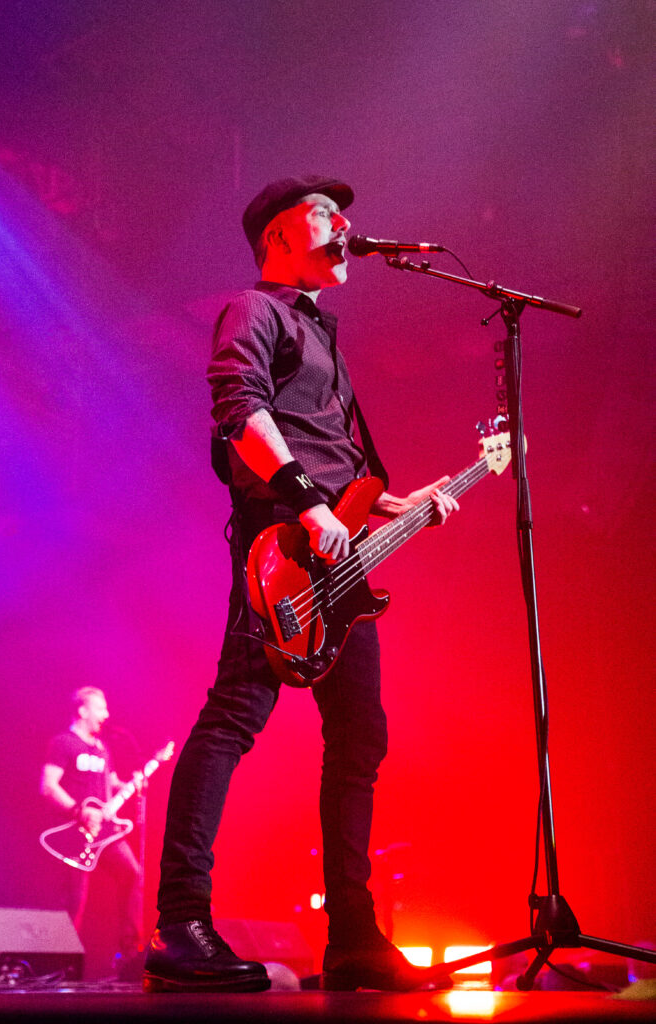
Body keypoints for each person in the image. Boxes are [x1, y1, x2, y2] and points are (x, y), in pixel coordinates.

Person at [143, 176, 459, 993]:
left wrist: (391, 503)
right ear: (279, 236)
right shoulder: (255, 310)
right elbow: (237, 408)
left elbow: (329, 451)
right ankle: (181, 926)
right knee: (235, 716)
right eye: (326, 213)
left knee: (360, 737)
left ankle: (353, 937)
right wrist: (305, 501)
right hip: (282, 548)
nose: (347, 223)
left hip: (340, 553)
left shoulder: (323, 331)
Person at [40, 686, 142, 965]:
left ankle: (129, 953)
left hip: (105, 833)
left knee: (132, 873)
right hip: (73, 833)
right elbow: (49, 786)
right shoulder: (64, 743)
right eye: (100, 708)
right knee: (75, 899)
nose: (106, 715)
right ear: (83, 711)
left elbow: (111, 783)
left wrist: (133, 783)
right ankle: (62, 964)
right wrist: (77, 810)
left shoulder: (101, 748)